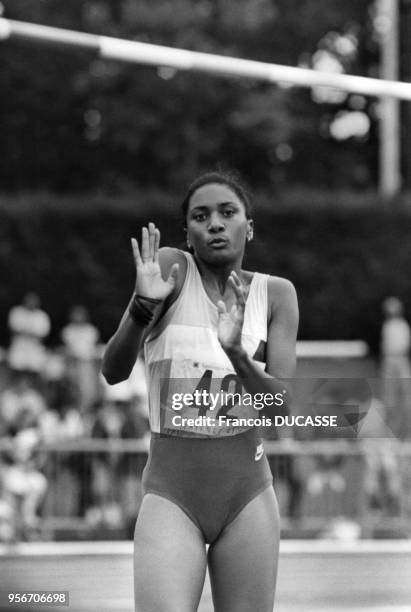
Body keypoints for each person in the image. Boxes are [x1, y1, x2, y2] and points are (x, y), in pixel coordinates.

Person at [102, 172, 298, 612]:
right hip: (173, 492)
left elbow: (282, 409)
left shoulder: (277, 295)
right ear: (187, 234)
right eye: (200, 216)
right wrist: (139, 310)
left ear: (248, 226)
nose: (214, 223)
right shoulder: (171, 268)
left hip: (248, 492)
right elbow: (112, 371)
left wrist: (236, 353)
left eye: (228, 213)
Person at [380, 296, 411, 438]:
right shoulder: (387, 326)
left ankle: (406, 429)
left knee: (406, 394)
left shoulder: (402, 325)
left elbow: (404, 345)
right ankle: (389, 430)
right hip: (389, 360)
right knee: (389, 395)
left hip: (400, 359)